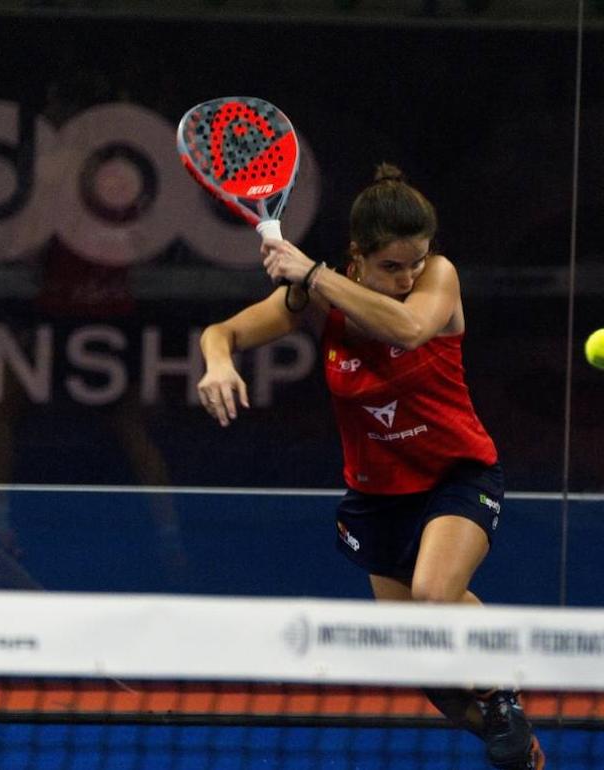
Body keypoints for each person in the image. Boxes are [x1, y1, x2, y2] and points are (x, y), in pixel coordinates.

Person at [196, 164, 544, 770]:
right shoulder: (317, 298)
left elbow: (409, 330)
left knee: (436, 596)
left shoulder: (439, 278)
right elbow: (223, 332)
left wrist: (311, 274)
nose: (409, 276)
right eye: (392, 266)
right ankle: (516, 742)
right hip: (378, 498)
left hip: (457, 475)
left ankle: (503, 695)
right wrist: (219, 362)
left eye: (416, 261)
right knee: (433, 676)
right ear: (358, 257)